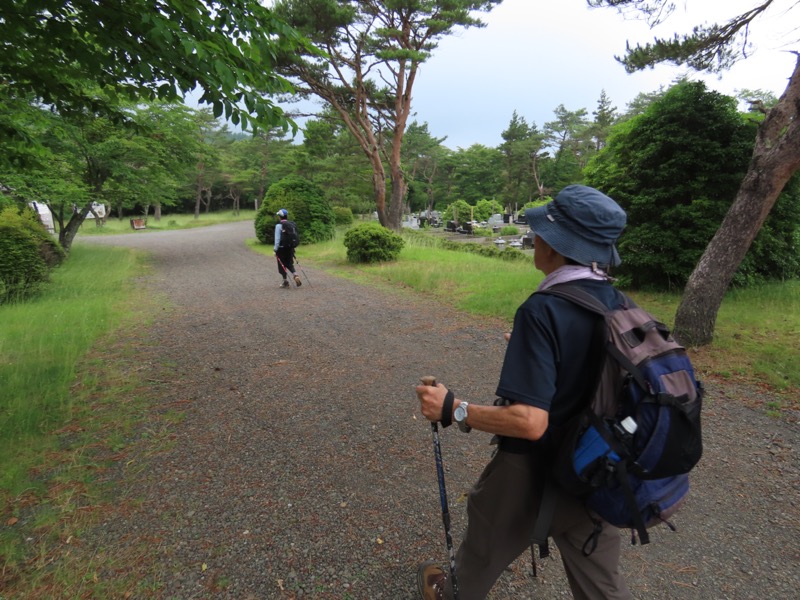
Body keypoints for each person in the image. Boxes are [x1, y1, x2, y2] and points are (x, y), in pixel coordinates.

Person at [415, 185, 632, 600]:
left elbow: (529, 423)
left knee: (481, 552)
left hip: (532, 471)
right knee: (603, 586)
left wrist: (452, 408)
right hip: (597, 466)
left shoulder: (543, 310)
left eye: (542, 232)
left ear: (554, 245)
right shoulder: (619, 303)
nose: (536, 238)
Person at [274, 208, 302, 288]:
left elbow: (277, 239)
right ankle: (295, 274)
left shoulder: (278, 226)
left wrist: (275, 249)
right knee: (289, 263)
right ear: (286, 216)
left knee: (282, 264)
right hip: (290, 248)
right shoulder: (291, 224)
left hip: (281, 249)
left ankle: (285, 281)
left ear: (280, 217)